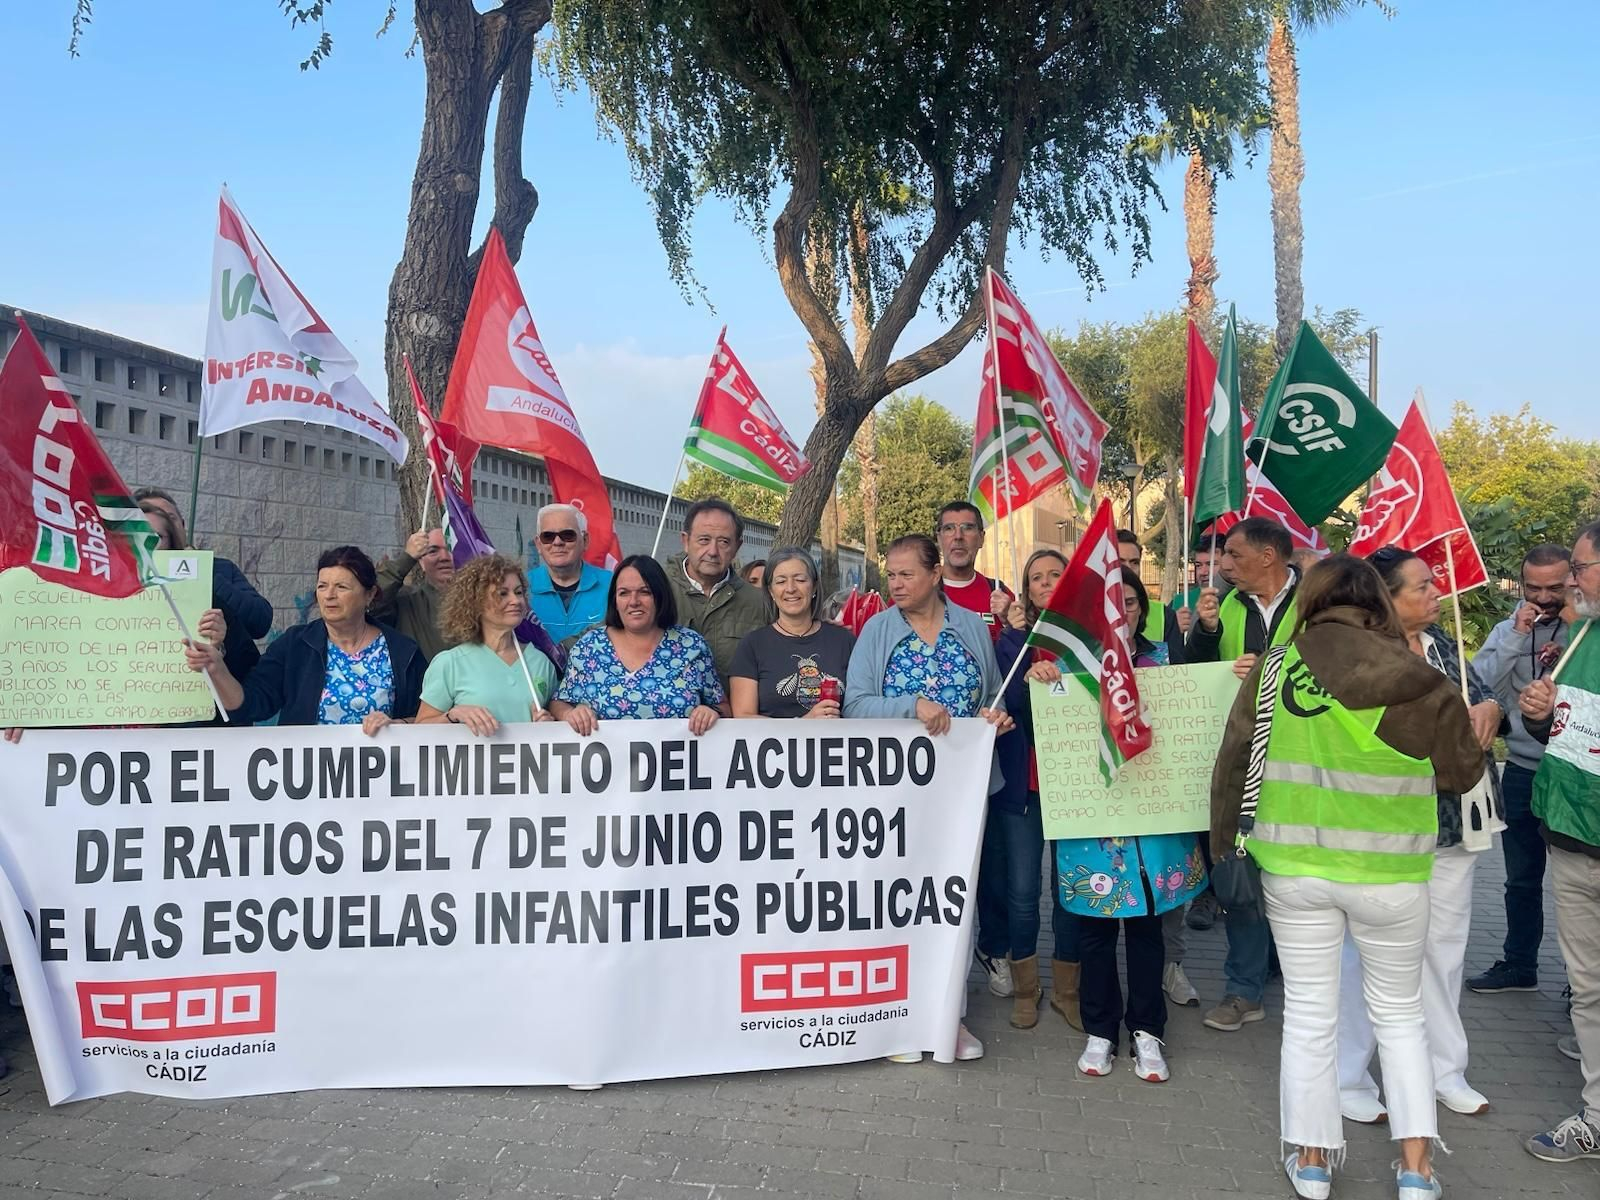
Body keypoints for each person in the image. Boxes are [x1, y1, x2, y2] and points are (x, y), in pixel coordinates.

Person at [1211, 554, 1483, 1200]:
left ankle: (1312, 1161)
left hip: (1293, 868)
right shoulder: (1417, 677)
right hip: (1391, 874)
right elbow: (1462, 774)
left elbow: (1234, 758)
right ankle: (1417, 1170)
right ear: (1380, 604)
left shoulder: (1276, 668)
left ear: (1310, 601)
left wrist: (1223, 846)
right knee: (1401, 1017)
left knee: (1309, 1015)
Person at [1334, 546, 1505, 1124]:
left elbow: (1479, 696)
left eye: (1435, 585)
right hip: (1380, 828)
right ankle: (1349, 1076)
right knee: (1363, 955)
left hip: (1453, 823)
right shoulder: (1357, 658)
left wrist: (1488, 710)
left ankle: (1443, 1070)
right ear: (1385, 596)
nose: (1437, 595)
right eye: (1423, 587)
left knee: (1443, 950)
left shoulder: (1441, 645)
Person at [844, 533, 1014, 1063]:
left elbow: (992, 693)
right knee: (900, 905)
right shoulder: (878, 630)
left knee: (952, 905)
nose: (894, 584)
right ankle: (896, 1016)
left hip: (962, 794)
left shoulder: (969, 626)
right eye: (889, 575)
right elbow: (855, 706)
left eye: (905, 574)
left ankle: (950, 1014)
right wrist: (910, 705)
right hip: (897, 796)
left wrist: (996, 716)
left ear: (935, 574)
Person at [1066, 568, 1207, 1082]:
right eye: (1109, 603)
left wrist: (1227, 675)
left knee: (1148, 930)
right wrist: (1043, 681)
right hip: (1093, 826)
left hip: (1153, 824)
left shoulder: (1166, 662)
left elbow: (1201, 712)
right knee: (1096, 932)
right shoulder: (1069, 664)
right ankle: (1100, 1031)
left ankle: (1148, 1030)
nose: (1119, 611)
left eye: (1127, 601)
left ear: (1141, 608)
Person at [1189, 516, 1302, 1032]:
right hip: (1240, 758)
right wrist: (1207, 634)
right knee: (1237, 876)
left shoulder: (1317, 603)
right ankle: (1243, 989)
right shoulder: (1228, 606)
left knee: (1293, 881)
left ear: (1269, 556)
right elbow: (1194, 671)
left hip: (1300, 763)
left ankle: (1290, 971)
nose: (1223, 565)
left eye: (1233, 555)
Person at [1520, 520, 1600, 1163]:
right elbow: (1563, 740)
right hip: (1571, 839)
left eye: (1579, 567)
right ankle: (1597, 1115)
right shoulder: (1580, 635)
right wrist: (1539, 715)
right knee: (1589, 987)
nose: (1570, 581)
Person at [1467, 543, 1574, 993]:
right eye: (1534, 587)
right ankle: (1519, 963)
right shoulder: (1508, 627)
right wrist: (1514, 634)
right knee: (1521, 879)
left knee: (1579, 886)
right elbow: (1476, 683)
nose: (1545, 597)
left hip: (1573, 773)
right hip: (1524, 770)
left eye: (1555, 587)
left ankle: (1581, 986)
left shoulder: (1588, 628)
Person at [184, 545, 424, 730]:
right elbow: (250, 705)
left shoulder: (402, 651)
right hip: (308, 782)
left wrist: (400, 726)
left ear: (369, 595)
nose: (329, 595)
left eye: (341, 587)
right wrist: (216, 668)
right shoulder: (295, 645)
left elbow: (429, 717)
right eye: (322, 586)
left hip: (384, 780)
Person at [992, 550, 1080, 1030]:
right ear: (1025, 589)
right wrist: (1023, 656)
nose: (1046, 582)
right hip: (1025, 786)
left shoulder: (1090, 636)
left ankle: (1069, 989)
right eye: (1036, 577)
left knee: (1071, 889)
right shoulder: (1013, 639)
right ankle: (1027, 987)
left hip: (1075, 785)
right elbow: (1008, 700)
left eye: (1055, 574)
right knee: (1024, 891)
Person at [550, 555, 724, 735]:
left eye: (645, 591)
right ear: (614, 600)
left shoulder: (692, 646)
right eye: (624, 593)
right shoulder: (588, 648)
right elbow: (559, 702)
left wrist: (712, 713)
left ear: (660, 596)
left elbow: (722, 706)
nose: (634, 601)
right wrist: (570, 714)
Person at [404, 553, 558, 735]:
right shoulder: (450, 664)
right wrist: (452, 716)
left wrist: (550, 724)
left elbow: (555, 721)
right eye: (502, 594)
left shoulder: (541, 662)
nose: (516, 601)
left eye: (518, 592)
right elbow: (419, 730)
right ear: (476, 603)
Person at [135, 486, 273, 688]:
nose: (162, 529)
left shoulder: (220, 569)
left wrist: (202, 572)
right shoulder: (118, 578)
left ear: (181, 526)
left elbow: (260, 622)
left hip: (209, 704)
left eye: (170, 518)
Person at [729, 548, 854, 719]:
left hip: (837, 744)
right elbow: (743, 716)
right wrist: (802, 725)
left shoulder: (843, 640)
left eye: (800, 579)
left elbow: (861, 704)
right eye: (780, 582)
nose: (790, 588)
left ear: (815, 586)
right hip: (773, 746)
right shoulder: (753, 645)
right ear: (771, 591)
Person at [663, 497, 767, 692]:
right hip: (669, 719)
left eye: (724, 542)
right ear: (685, 541)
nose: (712, 551)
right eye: (704, 540)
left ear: (737, 547)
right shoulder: (654, 592)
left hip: (733, 718)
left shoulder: (759, 604)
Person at [526, 503, 612, 644]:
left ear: (585, 540)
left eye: (567, 535)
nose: (557, 542)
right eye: (548, 536)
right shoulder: (519, 590)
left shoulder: (614, 586)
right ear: (538, 544)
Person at [935, 501, 1014, 644]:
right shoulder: (916, 592)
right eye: (949, 528)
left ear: (981, 538)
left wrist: (1011, 625)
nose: (958, 536)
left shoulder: (1000, 594)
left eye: (968, 528)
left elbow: (1027, 653)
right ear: (939, 539)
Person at [372, 528, 455, 662]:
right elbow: (369, 601)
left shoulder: (484, 603)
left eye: (451, 549)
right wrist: (407, 559)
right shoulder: (405, 602)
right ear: (421, 562)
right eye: (433, 551)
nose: (444, 557)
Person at [1116, 528, 1185, 664]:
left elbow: (1179, 670)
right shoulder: (1082, 615)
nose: (1128, 568)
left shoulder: (1165, 615)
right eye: (1119, 561)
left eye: (1134, 562)